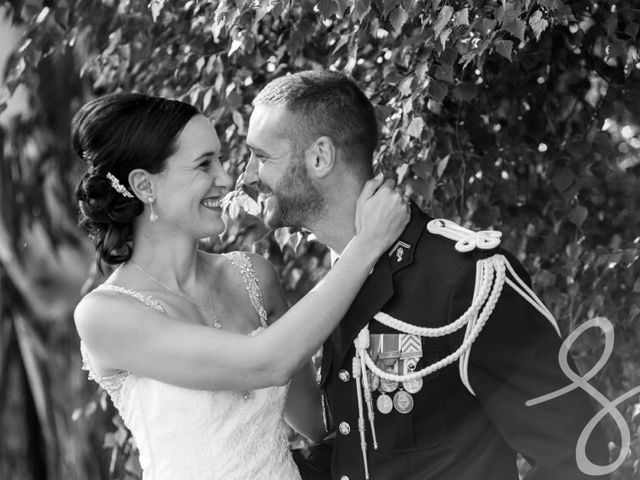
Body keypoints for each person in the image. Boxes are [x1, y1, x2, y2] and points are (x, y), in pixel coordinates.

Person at [243, 70, 610, 480]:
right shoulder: (336, 285)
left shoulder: (466, 280)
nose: (247, 176)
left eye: (262, 157)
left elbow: (579, 453)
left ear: (320, 157)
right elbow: (364, 451)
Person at [72, 92, 410, 480]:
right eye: (204, 165)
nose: (226, 178)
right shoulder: (105, 315)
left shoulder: (252, 277)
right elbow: (265, 362)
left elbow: (320, 423)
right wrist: (366, 245)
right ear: (145, 186)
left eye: (219, 159)